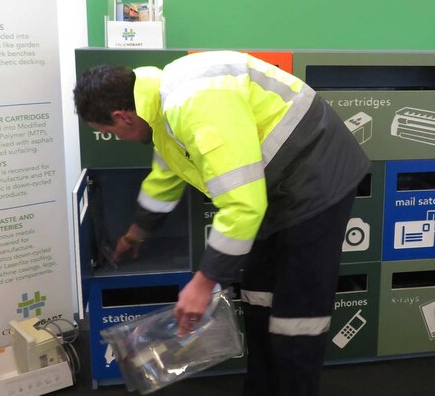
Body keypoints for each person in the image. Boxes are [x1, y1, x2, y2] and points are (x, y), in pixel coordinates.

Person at [73, 51, 370, 395]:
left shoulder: (192, 106)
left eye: (107, 131)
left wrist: (203, 282)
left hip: (317, 175)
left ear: (122, 117)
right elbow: (166, 177)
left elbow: (243, 205)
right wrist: (136, 233)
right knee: (258, 296)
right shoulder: (161, 108)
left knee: (296, 316)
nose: (116, 138)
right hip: (274, 187)